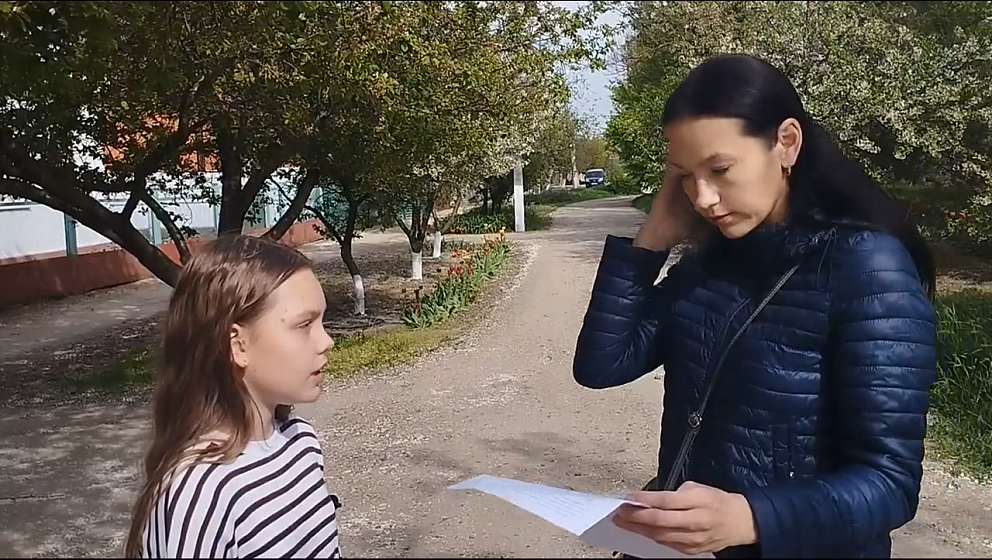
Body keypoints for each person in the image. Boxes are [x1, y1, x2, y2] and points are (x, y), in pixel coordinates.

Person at [572, 53, 937, 559]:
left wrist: (750, 518)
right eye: (684, 176)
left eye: (720, 169)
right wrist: (651, 240)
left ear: (786, 143)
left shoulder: (868, 269)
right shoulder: (710, 262)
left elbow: (890, 484)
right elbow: (601, 365)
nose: (702, 197)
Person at [125, 235, 341, 559]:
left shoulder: (302, 442)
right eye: (304, 325)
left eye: (322, 321)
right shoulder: (200, 489)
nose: (326, 341)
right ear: (237, 345)